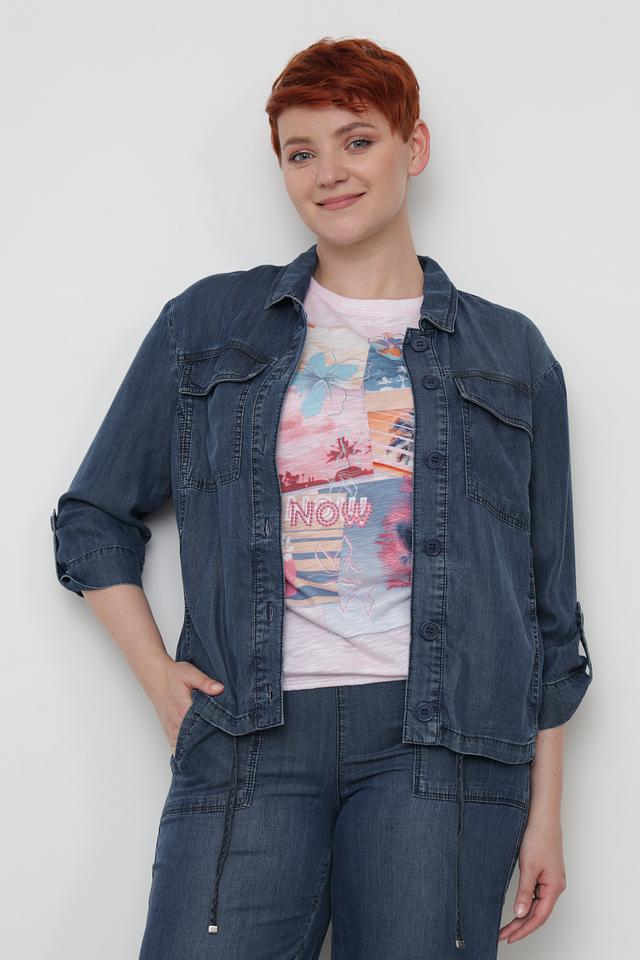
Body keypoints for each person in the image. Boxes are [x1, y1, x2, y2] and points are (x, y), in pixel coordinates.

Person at [51, 36, 593, 960]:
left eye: (358, 141)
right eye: (301, 152)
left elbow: (547, 606)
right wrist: (159, 681)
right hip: (248, 735)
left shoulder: (511, 354)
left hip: (445, 745)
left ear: (414, 147)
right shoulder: (208, 325)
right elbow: (93, 517)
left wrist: (547, 815)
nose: (329, 172)